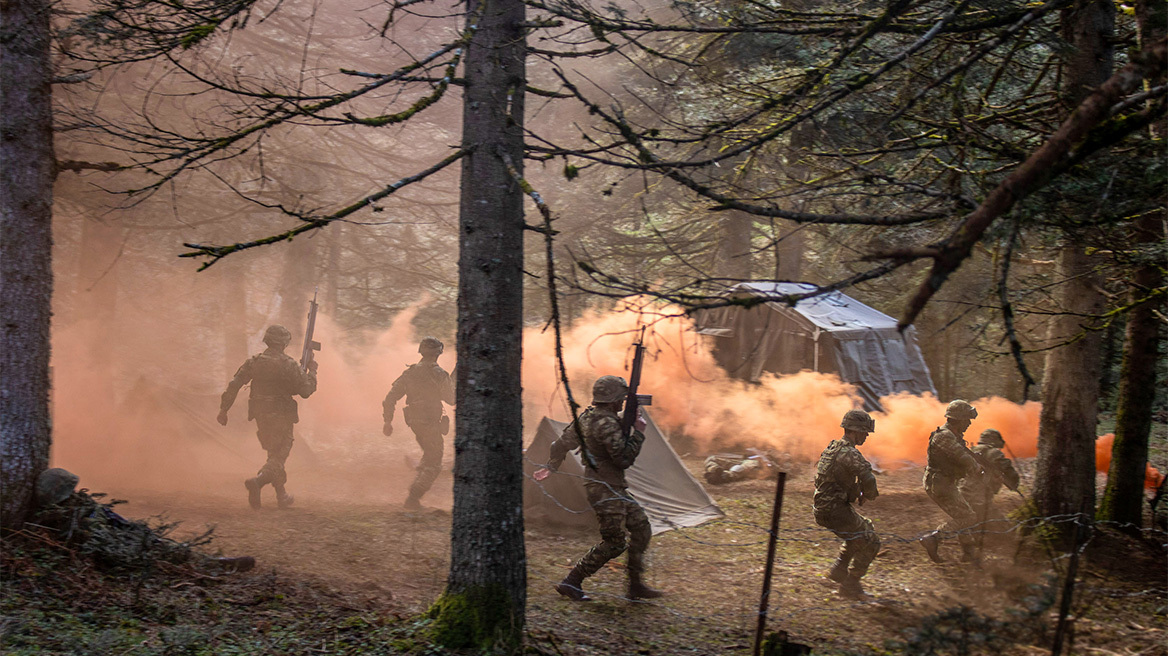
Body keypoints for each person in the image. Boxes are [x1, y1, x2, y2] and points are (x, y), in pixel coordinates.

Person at [533, 375, 661, 602]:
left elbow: (559, 444)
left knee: (641, 528)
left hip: (609, 487)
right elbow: (623, 459)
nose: (623, 402)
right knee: (614, 542)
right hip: (605, 488)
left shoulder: (587, 418)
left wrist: (551, 465)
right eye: (621, 398)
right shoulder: (608, 423)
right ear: (613, 399)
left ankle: (635, 586)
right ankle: (572, 581)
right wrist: (639, 432)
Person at [219, 324, 317, 510]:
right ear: (284, 343)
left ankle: (282, 496)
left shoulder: (255, 362)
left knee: (273, 453)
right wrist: (312, 370)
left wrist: (224, 409)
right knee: (279, 455)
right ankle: (258, 482)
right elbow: (305, 390)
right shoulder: (288, 364)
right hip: (280, 414)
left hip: (260, 414)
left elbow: (235, 383)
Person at [813, 409, 880, 598]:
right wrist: (868, 494)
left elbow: (833, 479)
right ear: (854, 430)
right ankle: (850, 585)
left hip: (822, 508)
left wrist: (853, 491)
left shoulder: (832, 448)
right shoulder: (850, 453)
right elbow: (869, 479)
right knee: (872, 541)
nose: (866, 435)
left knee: (862, 530)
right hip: (836, 510)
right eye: (864, 431)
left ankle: (839, 569)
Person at [383, 337, 455, 511]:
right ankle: (413, 498)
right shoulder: (440, 374)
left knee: (429, 455)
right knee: (435, 463)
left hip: (415, 422)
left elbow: (390, 398)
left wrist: (388, 421)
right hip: (430, 422)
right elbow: (451, 400)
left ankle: (420, 476)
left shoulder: (410, 373)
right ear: (438, 353)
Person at [919, 399, 984, 564]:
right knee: (967, 517)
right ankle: (934, 538)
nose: (969, 423)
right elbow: (961, 457)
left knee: (963, 513)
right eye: (966, 419)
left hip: (944, 483)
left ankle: (969, 554)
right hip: (939, 484)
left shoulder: (953, 436)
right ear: (959, 419)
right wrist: (976, 467)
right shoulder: (944, 436)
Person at [958, 429, 1021, 522]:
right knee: (1005, 531)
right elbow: (1009, 471)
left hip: (960, 495)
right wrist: (1014, 484)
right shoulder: (994, 453)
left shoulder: (970, 451)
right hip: (979, 501)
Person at [703, 449, 777, 485]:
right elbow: (747, 454)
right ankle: (714, 469)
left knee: (739, 469)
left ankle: (722, 476)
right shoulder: (759, 454)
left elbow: (783, 474)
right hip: (742, 462)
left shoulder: (773, 463)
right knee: (712, 458)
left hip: (754, 467)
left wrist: (767, 463)